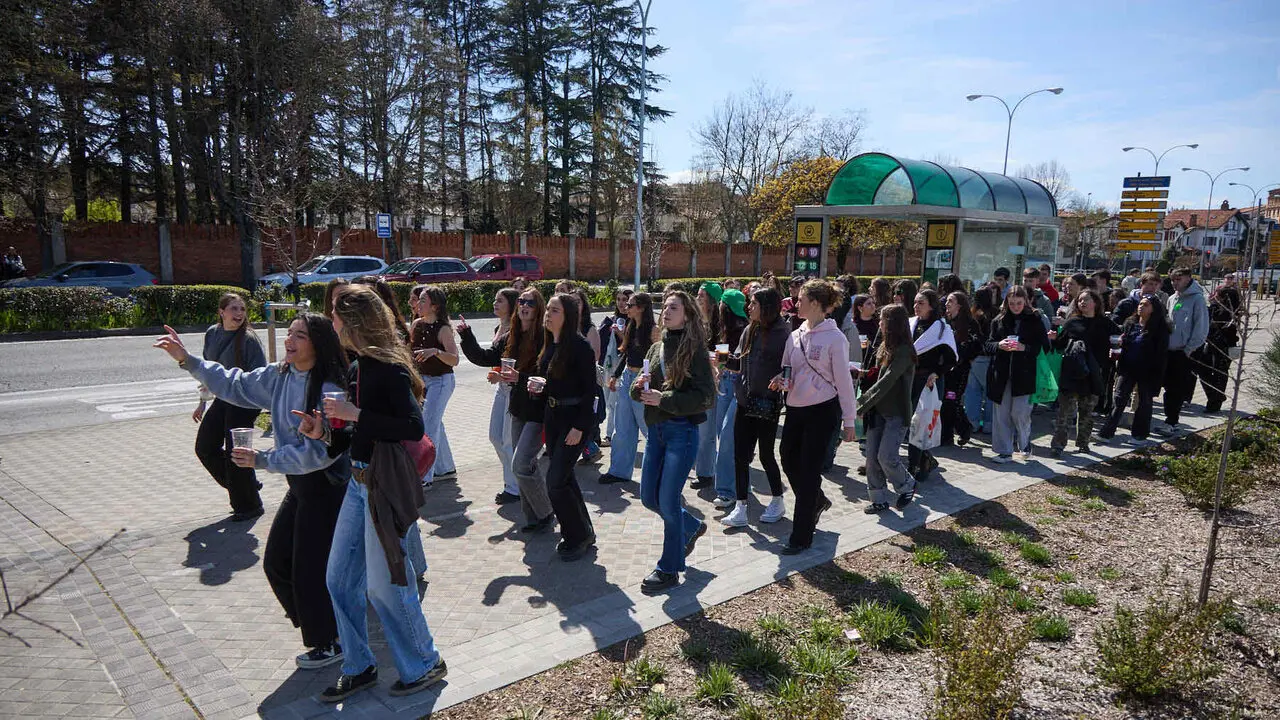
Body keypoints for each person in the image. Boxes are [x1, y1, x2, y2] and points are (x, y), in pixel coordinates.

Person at [155, 313, 351, 672]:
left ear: (318, 344)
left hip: (324, 488)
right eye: (289, 333)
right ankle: (325, 629)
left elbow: (320, 454)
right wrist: (188, 361)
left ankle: (329, 641)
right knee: (276, 563)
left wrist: (263, 459)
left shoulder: (328, 389)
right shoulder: (280, 375)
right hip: (299, 485)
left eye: (300, 336)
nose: (289, 340)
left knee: (307, 570)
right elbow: (236, 384)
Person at [317, 285, 445, 701]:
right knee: (338, 579)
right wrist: (324, 430)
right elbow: (359, 431)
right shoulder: (358, 368)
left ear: (353, 321)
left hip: (380, 486)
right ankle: (359, 665)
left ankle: (424, 662)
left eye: (335, 315)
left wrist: (357, 415)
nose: (330, 322)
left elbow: (413, 427)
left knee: (385, 584)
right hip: (356, 483)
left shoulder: (386, 369)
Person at [632, 291, 715, 592]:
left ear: (688, 314)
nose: (666, 311)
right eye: (664, 306)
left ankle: (668, 569)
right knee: (648, 498)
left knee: (668, 501)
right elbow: (639, 388)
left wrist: (662, 398)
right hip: (656, 433)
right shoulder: (656, 348)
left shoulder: (695, 351)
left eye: (674, 307)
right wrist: (638, 387)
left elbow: (706, 397)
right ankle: (690, 526)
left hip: (682, 433)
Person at [773, 279, 857, 554]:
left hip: (822, 411)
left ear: (818, 304)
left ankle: (801, 536)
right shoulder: (795, 334)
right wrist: (781, 380)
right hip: (795, 409)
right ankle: (817, 501)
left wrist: (849, 421)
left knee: (809, 472)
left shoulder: (835, 338)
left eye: (802, 299)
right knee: (787, 458)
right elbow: (787, 367)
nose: (796, 303)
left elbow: (844, 382)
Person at [536, 294, 601, 561]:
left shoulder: (580, 347)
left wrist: (579, 427)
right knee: (565, 478)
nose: (548, 314)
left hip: (574, 421)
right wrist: (539, 386)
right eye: (548, 309)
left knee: (555, 482)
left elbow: (591, 392)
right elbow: (554, 381)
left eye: (555, 310)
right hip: (553, 419)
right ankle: (584, 530)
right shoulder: (551, 343)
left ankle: (576, 535)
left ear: (568, 315)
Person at [192, 293, 268, 520]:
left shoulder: (249, 339)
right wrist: (201, 404)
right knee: (205, 446)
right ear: (221, 312)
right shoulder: (212, 334)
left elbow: (260, 376)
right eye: (234, 309)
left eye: (242, 309)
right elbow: (207, 372)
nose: (239, 314)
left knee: (236, 451)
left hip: (245, 400)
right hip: (223, 398)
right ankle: (246, 486)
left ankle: (248, 505)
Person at [722, 288, 789, 527]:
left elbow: (791, 366)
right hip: (744, 400)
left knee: (766, 454)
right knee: (740, 456)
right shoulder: (749, 330)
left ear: (767, 307)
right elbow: (739, 363)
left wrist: (783, 377)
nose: (748, 307)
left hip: (768, 403)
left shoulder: (784, 333)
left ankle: (777, 500)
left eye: (753, 303)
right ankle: (741, 507)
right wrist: (721, 360)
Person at [456, 288, 521, 504]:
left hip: (514, 389)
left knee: (508, 441)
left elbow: (517, 365)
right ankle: (514, 479)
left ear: (511, 305)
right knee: (495, 437)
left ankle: (515, 487)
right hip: (501, 388)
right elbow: (486, 357)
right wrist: (466, 334)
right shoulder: (499, 328)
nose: (495, 303)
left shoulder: (517, 331)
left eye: (499, 300)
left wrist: (500, 375)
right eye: (494, 299)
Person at [500, 288, 556, 532]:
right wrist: (467, 335)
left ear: (538, 308)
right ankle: (533, 517)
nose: (523, 305)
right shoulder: (513, 335)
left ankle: (545, 513)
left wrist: (519, 377)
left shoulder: (545, 337)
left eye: (530, 303)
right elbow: (487, 355)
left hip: (538, 410)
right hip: (518, 407)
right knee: (524, 464)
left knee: (521, 463)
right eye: (521, 301)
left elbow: (545, 376)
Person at [857, 304, 918, 514]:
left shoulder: (904, 352)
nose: (880, 323)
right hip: (878, 412)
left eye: (883, 320)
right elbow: (878, 375)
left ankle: (907, 485)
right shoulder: (884, 347)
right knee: (871, 458)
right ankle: (878, 499)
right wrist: (863, 373)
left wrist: (860, 405)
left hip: (896, 414)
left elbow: (887, 381)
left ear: (893, 324)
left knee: (886, 457)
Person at [1047, 289, 1118, 456]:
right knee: (1065, 412)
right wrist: (1053, 338)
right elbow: (1059, 345)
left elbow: (1119, 339)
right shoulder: (1072, 323)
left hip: (1093, 374)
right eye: (1080, 300)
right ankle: (1058, 445)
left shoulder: (1105, 324)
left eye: (1086, 299)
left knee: (1087, 412)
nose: (1082, 303)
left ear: (1096, 302)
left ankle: (1083, 443)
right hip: (1072, 372)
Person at [601, 292, 659, 484]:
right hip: (627, 377)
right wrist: (615, 376)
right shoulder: (631, 326)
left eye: (631, 304)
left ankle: (659, 472)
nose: (626, 307)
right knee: (622, 426)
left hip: (643, 381)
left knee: (647, 426)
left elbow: (658, 360)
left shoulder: (653, 330)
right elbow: (626, 354)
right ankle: (618, 471)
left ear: (641, 308)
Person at [986, 286, 1048, 463]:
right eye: (1011, 303)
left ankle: (1024, 442)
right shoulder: (999, 320)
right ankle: (1004, 451)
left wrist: (1024, 348)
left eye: (1019, 303)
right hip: (1001, 372)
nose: (1015, 307)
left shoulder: (1034, 319)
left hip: (1024, 373)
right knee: (1002, 414)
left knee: (1020, 412)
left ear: (1025, 302)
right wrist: (999, 345)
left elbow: (1042, 346)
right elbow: (988, 344)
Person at [1098, 296, 1171, 444]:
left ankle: (1139, 435)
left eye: (1146, 305)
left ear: (1154, 309)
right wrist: (1119, 346)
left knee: (1144, 403)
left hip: (1148, 371)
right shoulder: (1130, 323)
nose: (1141, 307)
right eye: (1140, 304)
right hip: (1127, 368)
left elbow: (1160, 354)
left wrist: (1157, 375)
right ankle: (1106, 433)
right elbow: (1122, 340)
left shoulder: (1160, 329)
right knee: (1119, 399)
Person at [409, 286, 459, 487]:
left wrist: (436, 352)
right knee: (434, 424)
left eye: (422, 300)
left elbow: (454, 360)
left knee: (429, 426)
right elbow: (409, 352)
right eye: (418, 300)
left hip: (441, 381)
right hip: (422, 381)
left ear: (435, 306)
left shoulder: (443, 328)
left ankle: (424, 477)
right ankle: (445, 468)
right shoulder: (416, 324)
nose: (418, 304)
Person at [906, 289, 956, 479]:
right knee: (910, 421)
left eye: (921, 303)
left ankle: (915, 465)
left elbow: (951, 357)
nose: (916, 306)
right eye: (915, 302)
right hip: (910, 379)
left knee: (922, 423)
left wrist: (937, 373)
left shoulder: (941, 328)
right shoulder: (911, 324)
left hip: (929, 381)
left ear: (932, 306)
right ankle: (923, 459)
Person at [1159, 268, 1209, 434]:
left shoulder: (1197, 299)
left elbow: (1201, 328)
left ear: (1188, 278)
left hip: (1184, 351)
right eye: (1173, 280)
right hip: (1169, 350)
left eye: (1179, 279)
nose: (1175, 283)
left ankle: (1172, 421)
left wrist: (1189, 349)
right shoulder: (1172, 298)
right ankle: (1169, 419)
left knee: (1176, 388)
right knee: (1167, 387)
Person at [693, 281, 725, 488]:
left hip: (714, 382)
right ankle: (702, 467)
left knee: (707, 430)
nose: (697, 299)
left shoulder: (721, 326)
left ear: (712, 302)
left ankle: (706, 473)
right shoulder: (696, 322)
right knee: (699, 428)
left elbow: (723, 356)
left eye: (701, 296)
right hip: (697, 380)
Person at [1195, 276, 1241, 413]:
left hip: (1222, 347)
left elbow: (1224, 329)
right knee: (1203, 370)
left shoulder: (1228, 313)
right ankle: (1216, 396)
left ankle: (1215, 401)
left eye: (1218, 295)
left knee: (1220, 373)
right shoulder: (1214, 309)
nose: (1214, 296)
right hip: (1210, 345)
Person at [942, 291, 979, 447]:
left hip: (960, 370)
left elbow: (976, 346)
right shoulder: (945, 322)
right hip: (945, 369)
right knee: (945, 401)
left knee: (953, 400)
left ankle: (964, 429)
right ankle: (946, 435)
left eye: (951, 301)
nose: (947, 304)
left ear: (960, 304)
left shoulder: (970, 324)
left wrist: (962, 355)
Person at [963, 283, 999, 435]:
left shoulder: (972, 315)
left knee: (972, 392)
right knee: (990, 393)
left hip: (974, 358)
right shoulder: (995, 314)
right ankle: (989, 424)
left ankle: (973, 422)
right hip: (989, 357)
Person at [600, 289, 633, 445]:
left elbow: (631, 348)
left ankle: (610, 435)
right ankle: (615, 432)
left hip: (622, 368)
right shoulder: (611, 320)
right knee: (608, 401)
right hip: (608, 366)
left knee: (615, 402)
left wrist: (621, 334)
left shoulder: (633, 322)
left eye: (625, 300)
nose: (621, 303)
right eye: (618, 299)